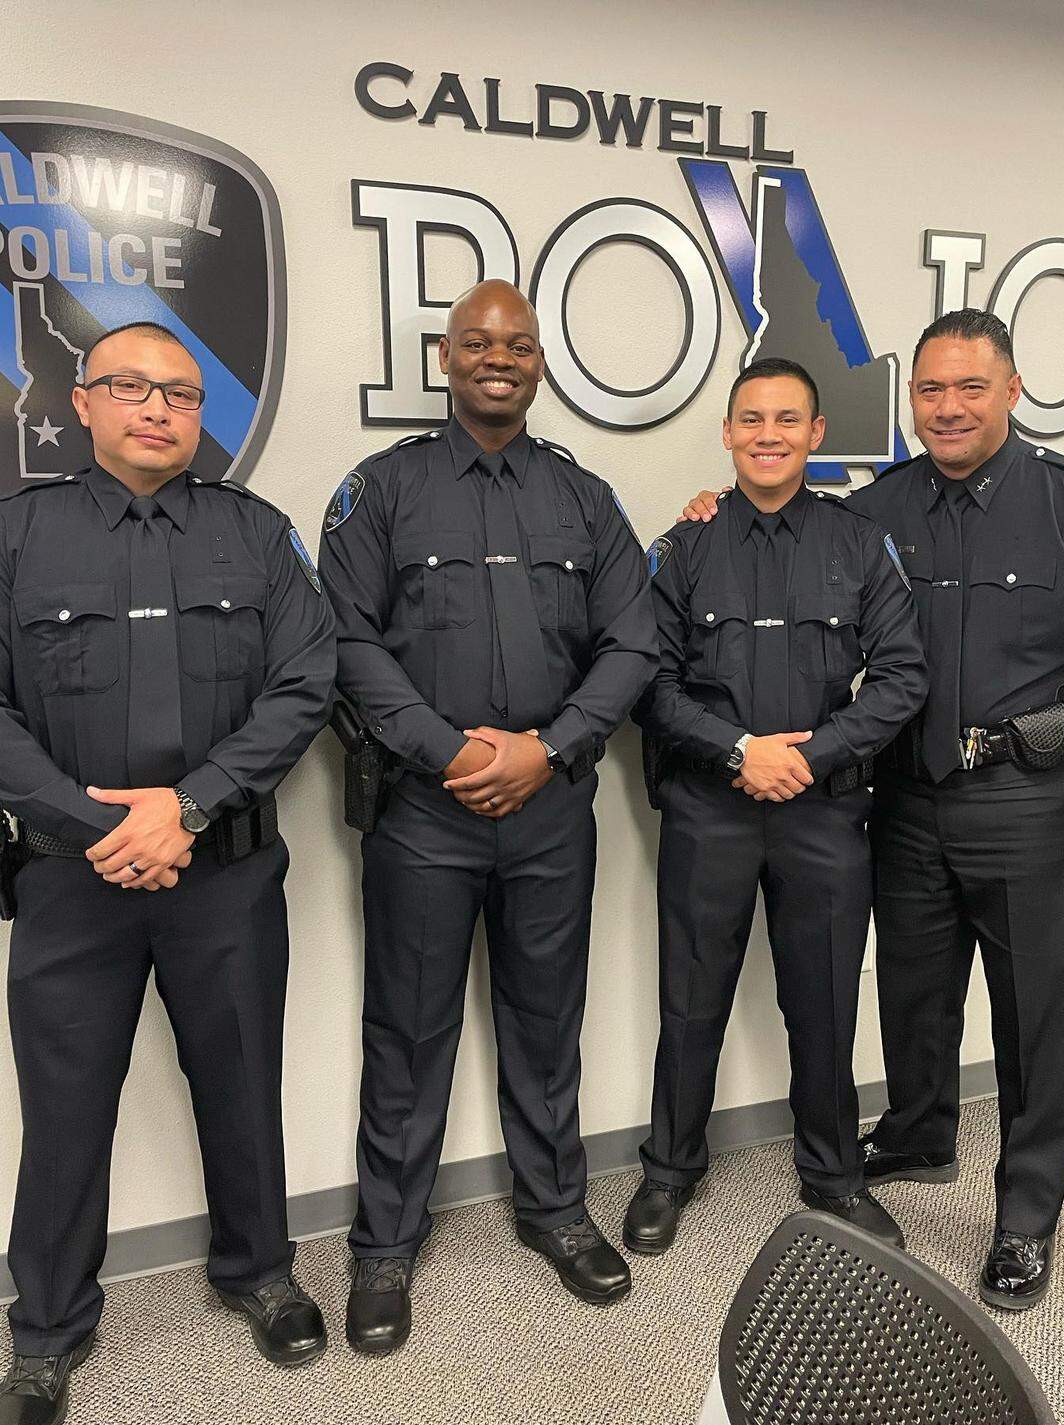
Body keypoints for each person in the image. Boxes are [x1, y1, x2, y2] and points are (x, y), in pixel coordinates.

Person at [676, 310, 1064, 1308]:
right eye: (930, 390)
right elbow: (789, 525)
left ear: (1013, 391)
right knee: (913, 999)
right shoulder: (877, 509)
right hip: (907, 800)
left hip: (1029, 804)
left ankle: (1024, 1214)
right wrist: (718, 510)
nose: (949, 407)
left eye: (970, 387)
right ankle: (923, 1135)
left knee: (1032, 1023)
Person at [0, 322, 336, 1425]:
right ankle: (46, 1329)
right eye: (132, 388)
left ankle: (260, 1273)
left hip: (226, 879)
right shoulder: (19, 537)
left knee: (240, 1087)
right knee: (65, 1111)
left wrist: (187, 807)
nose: (158, 408)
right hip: (70, 881)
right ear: (84, 403)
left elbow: (305, 682)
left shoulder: (255, 535)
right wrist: (97, 822)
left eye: (183, 394)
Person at [319, 279, 658, 1354]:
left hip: (555, 807)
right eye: (477, 343)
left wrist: (545, 750)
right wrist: (455, 750)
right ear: (446, 356)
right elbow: (347, 644)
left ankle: (556, 1210)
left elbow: (634, 645)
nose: (497, 358)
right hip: (428, 811)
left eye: (516, 344)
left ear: (540, 362)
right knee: (408, 1032)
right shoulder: (381, 491)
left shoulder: (585, 499)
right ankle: (385, 1242)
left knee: (546, 1022)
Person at [623, 358, 926, 1258]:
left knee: (825, 999)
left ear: (817, 434)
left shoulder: (858, 544)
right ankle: (670, 1170)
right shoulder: (682, 546)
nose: (768, 434)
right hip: (710, 808)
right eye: (751, 419)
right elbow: (648, 680)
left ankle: (834, 1175)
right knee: (691, 996)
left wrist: (813, 755)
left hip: (824, 812)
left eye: (787, 419)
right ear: (726, 432)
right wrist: (737, 751)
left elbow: (904, 672)